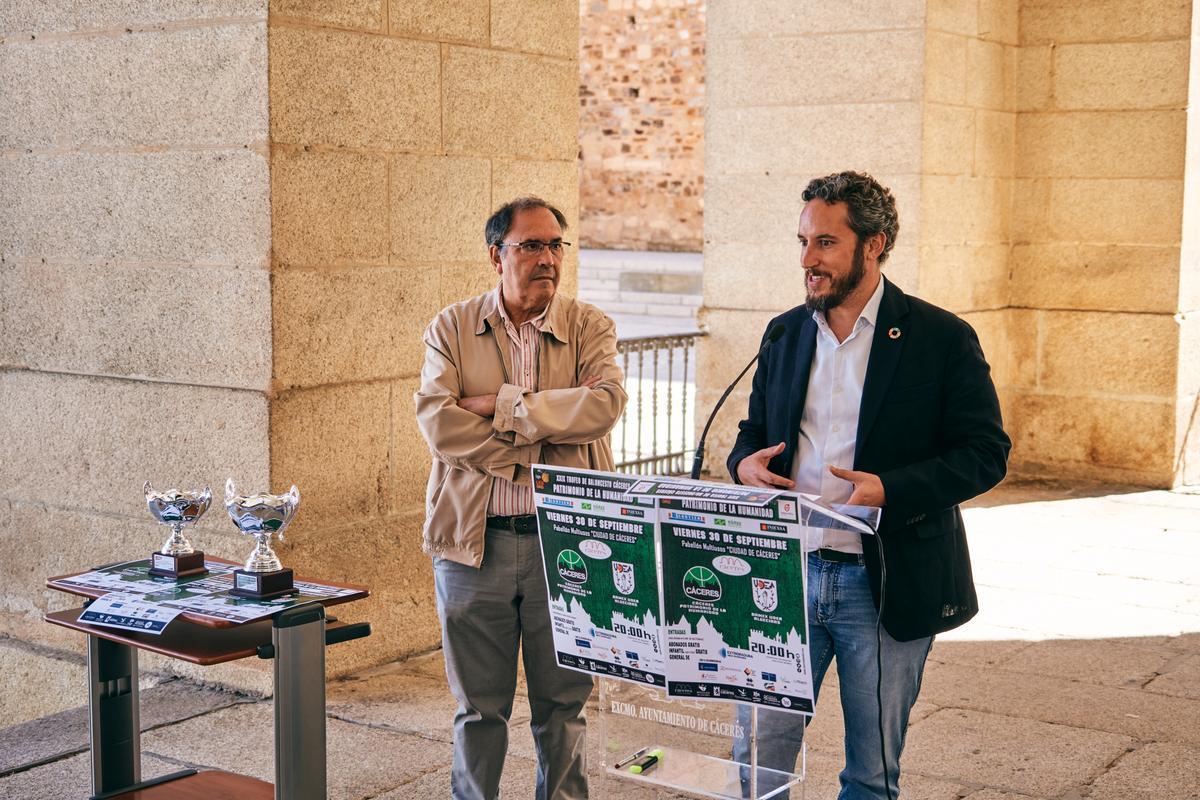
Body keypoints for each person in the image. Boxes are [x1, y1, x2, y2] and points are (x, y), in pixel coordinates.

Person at [727, 171, 1011, 799]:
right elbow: (752, 432)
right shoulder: (785, 331)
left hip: (883, 584)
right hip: (783, 578)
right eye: (802, 241)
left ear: (874, 243)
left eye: (825, 243)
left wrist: (890, 487)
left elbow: (986, 454)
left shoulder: (941, 338)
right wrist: (745, 464)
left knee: (871, 774)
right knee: (756, 765)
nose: (807, 259)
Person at [415, 196, 627, 800]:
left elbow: (605, 407)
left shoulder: (590, 327)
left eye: (556, 245)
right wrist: (541, 437)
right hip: (471, 548)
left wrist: (501, 405)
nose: (548, 259)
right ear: (496, 255)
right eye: (531, 245)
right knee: (478, 710)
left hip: (566, 548)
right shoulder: (451, 327)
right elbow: (439, 423)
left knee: (563, 710)